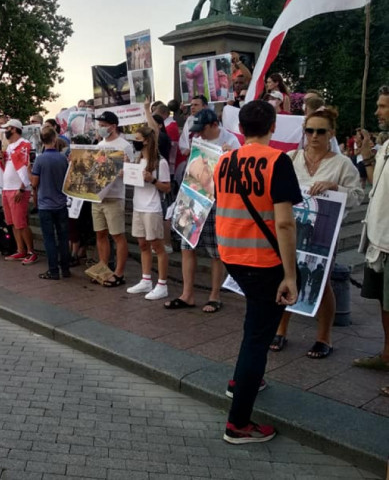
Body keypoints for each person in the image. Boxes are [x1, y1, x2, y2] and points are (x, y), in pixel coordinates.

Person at [214, 99, 302, 443]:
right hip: (263, 260)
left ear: (241, 129)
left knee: (255, 322)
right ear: (273, 126)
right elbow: (284, 222)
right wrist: (290, 275)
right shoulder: (277, 161)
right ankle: (238, 424)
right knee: (258, 337)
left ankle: (242, 381)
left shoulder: (224, 160)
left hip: (232, 255)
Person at [268, 108, 364, 356]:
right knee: (285, 277)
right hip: (290, 230)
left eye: (321, 131)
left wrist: (335, 186)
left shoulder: (342, 164)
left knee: (322, 285)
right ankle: (280, 330)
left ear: (331, 133)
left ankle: (324, 337)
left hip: (323, 232)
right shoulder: (290, 157)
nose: (314, 136)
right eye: (310, 130)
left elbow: (357, 197)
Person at [166, 107, 239, 312]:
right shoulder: (199, 140)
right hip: (194, 195)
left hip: (217, 200)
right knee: (186, 246)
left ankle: (214, 295)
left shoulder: (231, 141)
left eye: (202, 129)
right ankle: (187, 294)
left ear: (215, 125)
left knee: (216, 252)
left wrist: (230, 156)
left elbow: (238, 171)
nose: (198, 134)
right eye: (195, 130)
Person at [353, 86, 389, 398]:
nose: (378, 112)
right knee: (384, 303)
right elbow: (376, 181)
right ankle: (387, 354)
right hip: (380, 238)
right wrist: (366, 156)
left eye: (383, 107)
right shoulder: (387, 145)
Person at [126, 125, 171, 299]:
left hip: (152, 208)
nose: (135, 143)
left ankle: (162, 283)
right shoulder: (138, 160)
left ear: (146, 141)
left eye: (137, 139)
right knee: (142, 244)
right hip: (138, 206)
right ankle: (146, 280)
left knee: (157, 247)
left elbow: (167, 187)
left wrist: (152, 179)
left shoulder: (161, 162)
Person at [91, 111, 134, 288]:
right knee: (100, 233)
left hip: (115, 196)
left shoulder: (124, 145)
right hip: (98, 196)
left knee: (117, 235)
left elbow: (131, 171)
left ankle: (119, 272)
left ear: (113, 126)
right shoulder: (99, 144)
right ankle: (104, 268)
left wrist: (125, 169)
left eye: (103, 125)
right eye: (99, 125)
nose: (100, 128)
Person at [31, 126, 70, 279]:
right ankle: (65, 269)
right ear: (55, 139)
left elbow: (34, 183)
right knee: (63, 237)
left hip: (45, 205)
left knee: (49, 239)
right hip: (61, 203)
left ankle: (53, 270)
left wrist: (29, 172)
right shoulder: (62, 158)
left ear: (42, 141)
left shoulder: (40, 159)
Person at [0, 119, 37, 265]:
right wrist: (0, 160)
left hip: (18, 189)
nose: (5, 131)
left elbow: (27, 167)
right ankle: (20, 249)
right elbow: (7, 167)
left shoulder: (25, 145)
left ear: (14, 129)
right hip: (7, 188)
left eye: (7, 128)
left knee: (21, 222)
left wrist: (22, 187)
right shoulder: (9, 147)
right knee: (13, 222)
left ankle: (31, 251)